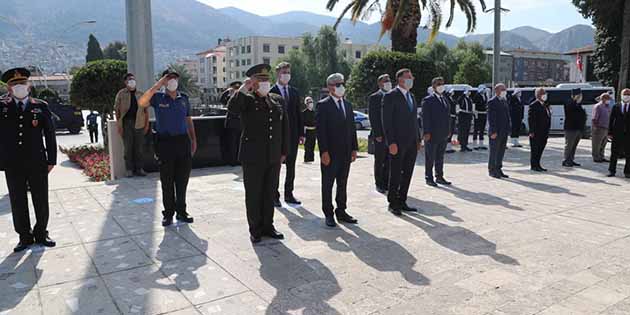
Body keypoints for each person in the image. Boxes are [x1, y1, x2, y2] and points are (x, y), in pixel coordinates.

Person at [227, 64, 289, 243]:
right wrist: (244, 87)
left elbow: (284, 127)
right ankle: (255, 229)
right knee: (254, 193)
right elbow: (232, 108)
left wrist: (284, 151)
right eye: (260, 80)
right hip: (252, 156)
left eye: (266, 80)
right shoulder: (246, 99)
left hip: (273, 155)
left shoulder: (276, 99)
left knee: (269, 192)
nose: (264, 83)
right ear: (253, 82)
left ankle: (268, 226)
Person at [0, 67, 57, 252]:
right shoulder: (2, 107)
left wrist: (52, 159)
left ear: (29, 86)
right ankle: (24, 236)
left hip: (37, 161)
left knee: (41, 199)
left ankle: (41, 233)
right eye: (15, 84)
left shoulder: (40, 106)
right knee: (17, 200)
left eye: (22, 83)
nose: (19, 86)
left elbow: (49, 134)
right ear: (8, 87)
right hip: (13, 163)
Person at [138, 69, 196, 227]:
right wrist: (158, 84)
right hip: (165, 143)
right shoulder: (157, 97)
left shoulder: (183, 98)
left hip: (182, 142)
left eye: (175, 78)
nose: (172, 81)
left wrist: (193, 139)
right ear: (164, 80)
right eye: (169, 78)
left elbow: (188, 119)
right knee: (167, 180)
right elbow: (142, 102)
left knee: (182, 180)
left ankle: (182, 212)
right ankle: (168, 213)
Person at [316, 73, 359, 227]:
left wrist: (354, 148)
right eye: (337, 84)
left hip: (346, 152)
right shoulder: (323, 105)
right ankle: (328, 213)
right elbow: (321, 131)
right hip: (331, 153)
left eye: (342, 83)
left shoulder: (347, 105)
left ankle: (341, 211)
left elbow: (352, 128)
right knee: (327, 184)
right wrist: (324, 152)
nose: (341, 86)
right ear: (329, 87)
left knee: (343, 182)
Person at [382, 69, 422, 216]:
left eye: (412, 77)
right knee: (396, 173)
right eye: (408, 77)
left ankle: (402, 200)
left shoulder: (411, 96)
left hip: (411, 142)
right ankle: (393, 202)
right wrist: (391, 142)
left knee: (408, 172)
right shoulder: (391, 96)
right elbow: (387, 121)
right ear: (400, 80)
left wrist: (418, 139)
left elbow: (414, 121)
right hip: (397, 143)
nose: (411, 79)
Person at [271, 62, 304, 206]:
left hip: (293, 135)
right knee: (276, 166)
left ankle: (289, 194)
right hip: (277, 137)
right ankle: (274, 195)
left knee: (291, 166)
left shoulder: (294, 91)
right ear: (278, 73)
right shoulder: (271, 91)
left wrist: (301, 133)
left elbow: (298, 114)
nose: (286, 75)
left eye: (288, 72)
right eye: (284, 72)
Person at [115, 73, 149, 177]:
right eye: (129, 79)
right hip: (126, 123)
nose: (132, 81)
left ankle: (139, 169)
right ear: (125, 82)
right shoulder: (121, 94)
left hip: (139, 123)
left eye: (133, 79)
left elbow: (146, 111)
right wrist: (119, 125)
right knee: (128, 148)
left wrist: (146, 125)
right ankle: (129, 169)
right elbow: (117, 111)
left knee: (139, 148)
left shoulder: (140, 94)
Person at [422, 77, 452, 187]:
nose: (441, 86)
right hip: (432, 134)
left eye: (442, 83)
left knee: (440, 156)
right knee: (430, 157)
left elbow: (447, 117)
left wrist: (449, 131)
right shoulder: (428, 100)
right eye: (438, 84)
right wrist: (426, 132)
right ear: (433, 86)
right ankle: (429, 177)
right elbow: (426, 118)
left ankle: (439, 176)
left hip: (443, 133)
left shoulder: (445, 99)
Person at [368, 74, 392, 193]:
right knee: (380, 160)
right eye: (385, 81)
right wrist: (377, 133)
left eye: (389, 80)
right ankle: (379, 183)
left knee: (389, 160)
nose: (388, 82)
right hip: (380, 135)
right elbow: (373, 117)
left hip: (391, 135)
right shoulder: (375, 97)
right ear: (379, 84)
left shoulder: (392, 96)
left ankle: (386, 182)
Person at [487, 83, 511, 179]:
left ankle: (498, 168)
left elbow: (506, 116)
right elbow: (491, 118)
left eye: (505, 89)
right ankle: (492, 170)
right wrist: (493, 131)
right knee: (494, 152)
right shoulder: (492, 102)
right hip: (495, 132)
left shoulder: (504, 101)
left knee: (501, 151)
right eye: (503, 89)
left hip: (503, 131)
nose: (505, 91)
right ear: (497, 91)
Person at [607, 89, 630, 177]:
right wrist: (609, 132)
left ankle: (627, 172)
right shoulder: (616, 106)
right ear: (621, 95)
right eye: (625, 94)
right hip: (617, 134)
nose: (627, 96)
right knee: (614, 153)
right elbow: (611, 120)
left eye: (628, 94)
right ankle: (611, 170)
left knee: (628, 154)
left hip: (628, 135)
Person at [528, 88, 551, 172]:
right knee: (535, 149)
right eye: (543, 93)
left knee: (541, 148)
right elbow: (531, 119)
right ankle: (534, 165)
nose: (545, 95)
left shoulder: (545, 104)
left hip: (544, 131)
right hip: (536, 132)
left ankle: (538, 164)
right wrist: (531, 131)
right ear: (538, 95)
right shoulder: (534, 105)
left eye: (545, 93)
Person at [563, 88, 587, 167]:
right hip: (571, 128)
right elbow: (570, 110)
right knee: (569, 145)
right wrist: (575, 101)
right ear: (574, 96)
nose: (580, 97)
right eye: (579, 95)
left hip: (578, 128)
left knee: (574, 146)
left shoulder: (579, 104)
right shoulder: (569, 102)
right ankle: (566, 160)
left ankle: (571, 159)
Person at [221, 81, 243, 166]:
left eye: (238, 88)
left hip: (241, 123)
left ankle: (239, 160)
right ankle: (232, 161)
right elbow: (222, 100)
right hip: (232, 124)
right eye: (235, 88)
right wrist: (228, 92)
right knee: (232, 144)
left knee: (240, 143)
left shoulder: (242, 96)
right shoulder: (229, 97)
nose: (236, 89)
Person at [591, 93, 612, 163]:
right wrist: (595, 127)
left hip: (606, 128)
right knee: (597, 144)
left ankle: (601, 156)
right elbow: (594, 118)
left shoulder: (607, 106)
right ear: (603, 99)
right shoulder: (598, 106)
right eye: (608, 99)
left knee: (603, 144)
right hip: (599, 128)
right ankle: (596, 157)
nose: (609, 100)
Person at [472, 85, 489, 150]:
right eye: (484, 89)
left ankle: (481, 144)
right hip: (478, 113)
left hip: (484, 114)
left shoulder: (485, 95)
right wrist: (475, 114)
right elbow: (474, 105)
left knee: (482, 129)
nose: (484, 90)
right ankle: (474, 144)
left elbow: (485, 104)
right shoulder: (477, 96)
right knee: (476, 129)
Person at [302, 96, 316, 163]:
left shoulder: (314, 112)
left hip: (313, 131)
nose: (311, 103)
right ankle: (307, 159)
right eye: (309, 102)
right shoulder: (304, 113)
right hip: (307, 131)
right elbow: (302, 124)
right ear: (306, 103)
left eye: (312, 102)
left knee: (312, 145)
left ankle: (311, 159)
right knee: (307, 146)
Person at [445, 88, 457, 154]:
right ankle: (446, 147)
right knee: (448, 131)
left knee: (451, 131)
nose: (452, 93)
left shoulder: (451, 98)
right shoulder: (446, 99)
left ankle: (449, 147)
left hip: (453, 116)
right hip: (449, 116)